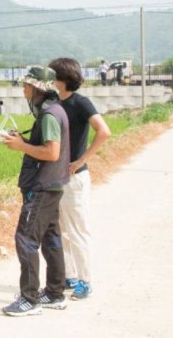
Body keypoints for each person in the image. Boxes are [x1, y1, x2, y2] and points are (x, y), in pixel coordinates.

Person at [0, 66, 70, 316]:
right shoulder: (52, 111)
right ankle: (54, 293)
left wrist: (21, 146)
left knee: (26, 239)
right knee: (51, 239)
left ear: (39, 88)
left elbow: (51, 152)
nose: (24, 89)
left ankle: (29, 299)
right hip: (53, 185)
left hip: (42, 187)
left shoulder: (50, 115)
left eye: (27, 85)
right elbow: (46, 148)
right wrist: (25, 142)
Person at [48, 57, 111, 301]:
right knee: (63, 229)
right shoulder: (56, 103)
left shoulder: (80, 102)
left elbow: (104, 131)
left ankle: (86, 281)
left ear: (62, 80)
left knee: (78, 230)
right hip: (57, 176)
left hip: (75, 177)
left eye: (53, 76)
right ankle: (70, 276)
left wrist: (82, 159)